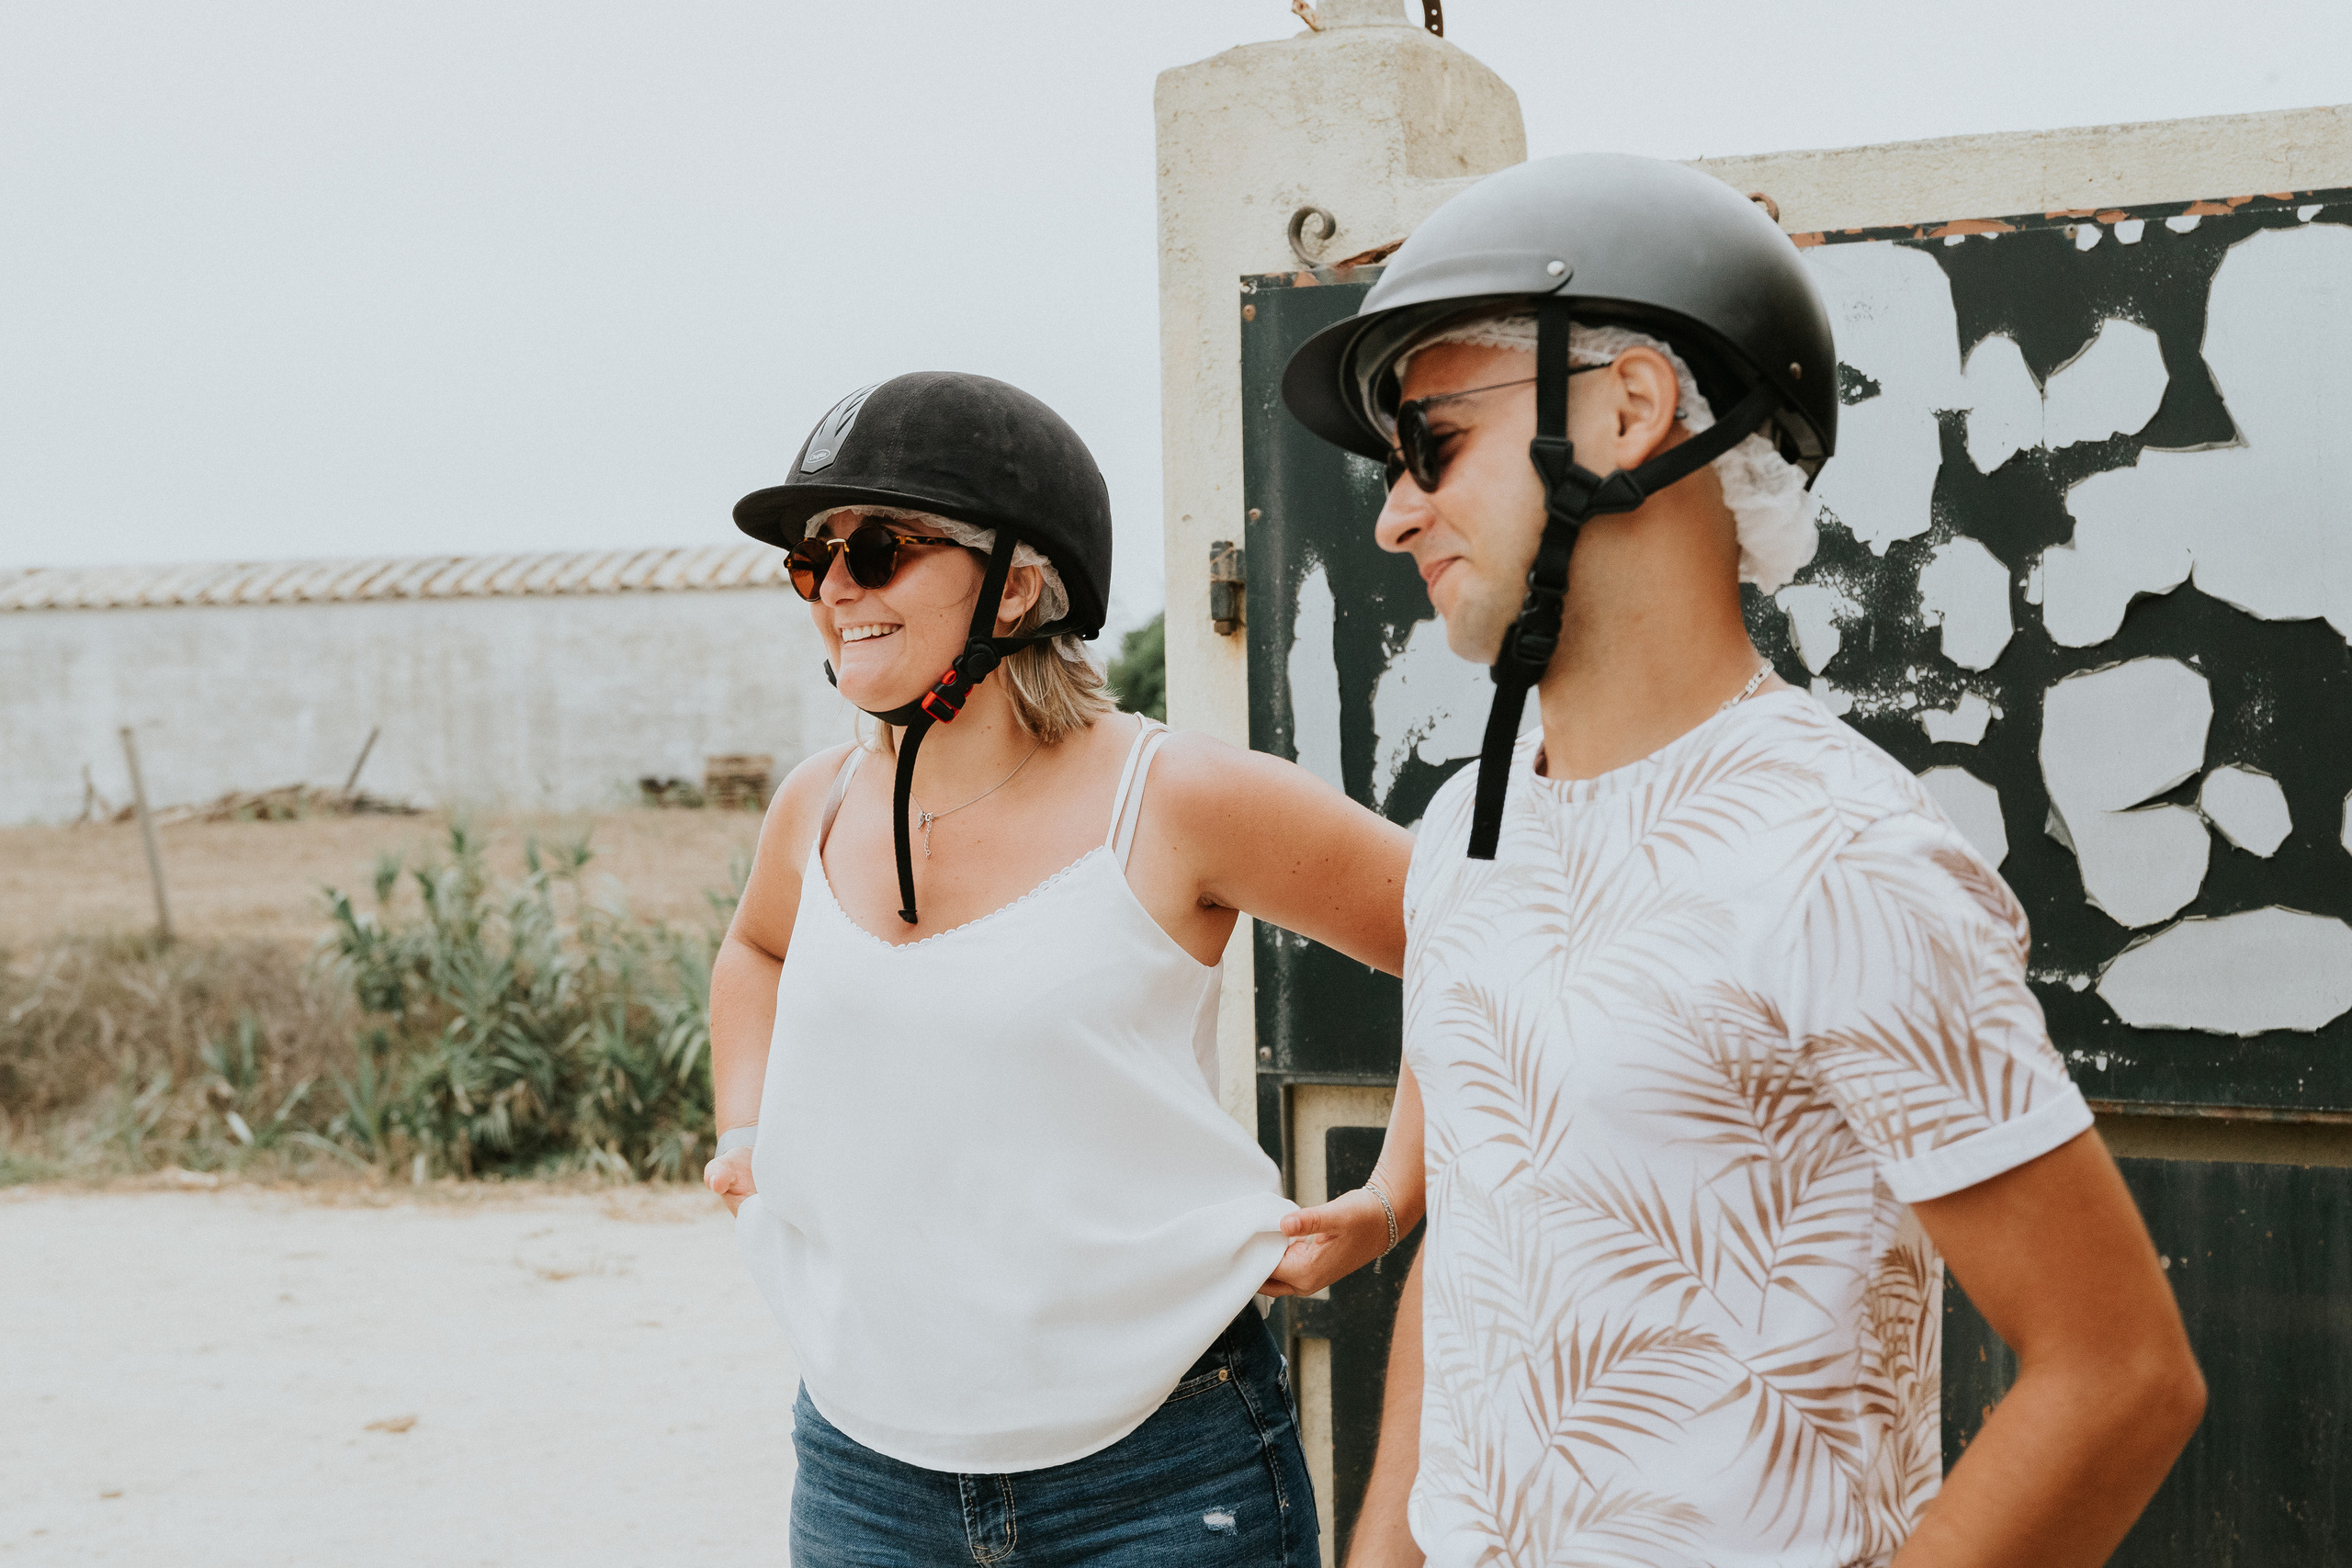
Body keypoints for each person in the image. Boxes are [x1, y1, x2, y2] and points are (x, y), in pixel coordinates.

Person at [1280, 152, 2206, 1567]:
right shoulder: (1474, 821)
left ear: (1631, 412)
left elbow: (2120, 1377)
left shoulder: (1843, 859)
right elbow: (1474, 1259)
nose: (1398, 514)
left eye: (1432, 442)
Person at [701, 370, 1426, 1568]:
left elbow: (1477, 948)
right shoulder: (815, 805)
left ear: (1020, 582)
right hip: (861, 1467)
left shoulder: (1175, 796)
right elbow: (757, 948)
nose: (833, 588)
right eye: (810, 558)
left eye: (875, 548)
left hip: (1160, 1467)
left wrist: (1390, 1198)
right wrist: (745, 1124)